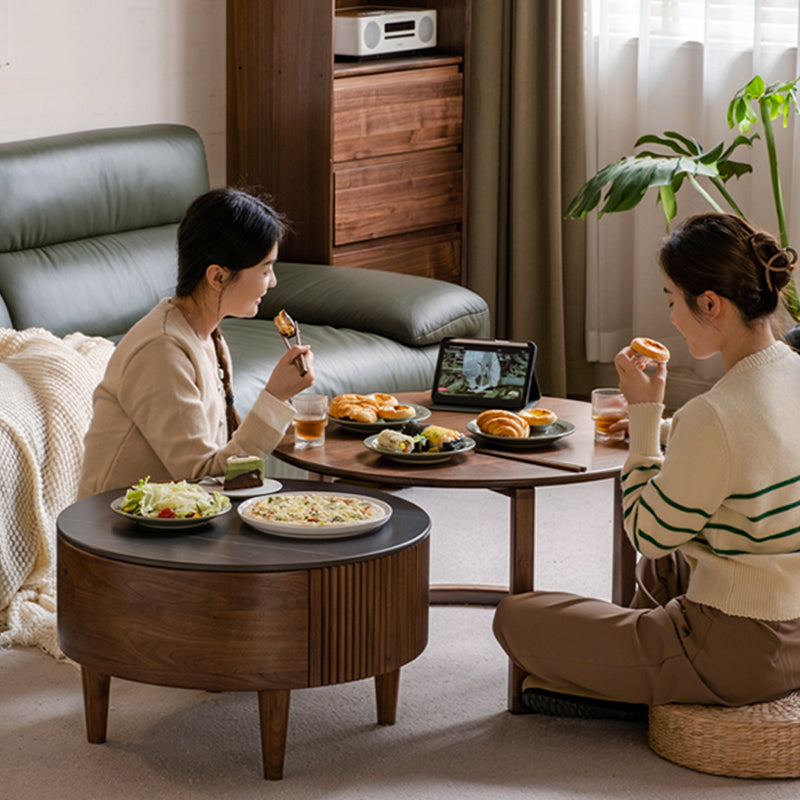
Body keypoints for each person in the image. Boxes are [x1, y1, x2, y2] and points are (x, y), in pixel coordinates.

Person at [493, 212, 800, 719]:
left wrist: (643, 416)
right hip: (792, 624)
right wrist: (660, 431)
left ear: (710, 303)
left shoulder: (713, 415)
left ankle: (652, 682)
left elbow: (647, 533)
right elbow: (749, 449)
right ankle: (640, 657)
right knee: (665, 564)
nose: (672, 319)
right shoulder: (790, 372)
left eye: (672, 300)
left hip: (733, 652)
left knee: (515, 617)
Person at [79, 188, 314, 497]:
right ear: (217, 277)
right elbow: (203, 476)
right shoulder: (162, 349)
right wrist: (275, 397)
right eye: (265, 270)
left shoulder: (207, 335)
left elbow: (220, 465)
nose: (273, 282)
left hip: (181, 512)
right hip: (121, 521)